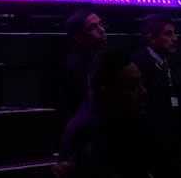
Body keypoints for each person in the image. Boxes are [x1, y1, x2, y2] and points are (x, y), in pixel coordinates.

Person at [57, 47, 155, 178]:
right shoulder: (89, 137)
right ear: (107, 94)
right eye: (133, 86)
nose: (143, 92)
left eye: (141, 83)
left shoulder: (122, 120)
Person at [131, 15, 181, 177]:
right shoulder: (139, 65)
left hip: (175, 144)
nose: (175, 38)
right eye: (169, 34)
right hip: (155, 148)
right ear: (151, 38)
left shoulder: (167, 63)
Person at [58, 8, 108, 123]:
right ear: (77, 37)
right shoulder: (73, 68)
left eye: (100, 24)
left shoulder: (102, 59)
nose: (102, 30)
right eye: (92, 27)